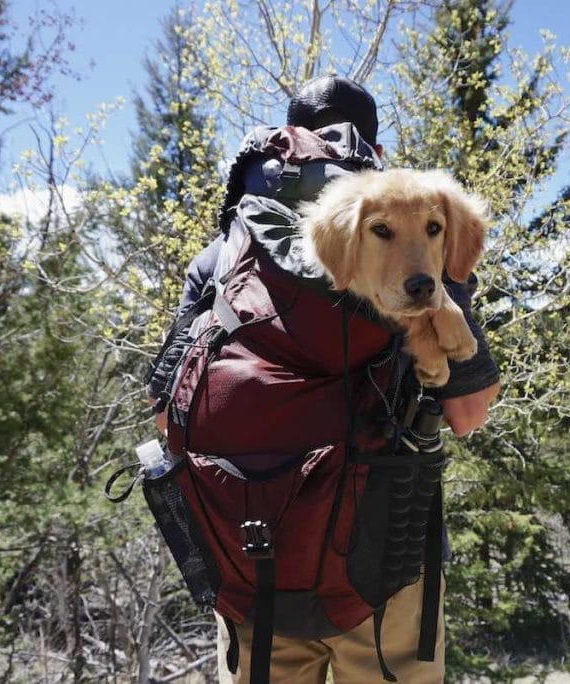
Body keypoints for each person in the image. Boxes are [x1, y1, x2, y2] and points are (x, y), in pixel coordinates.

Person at [151, 75, 500, 683]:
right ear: (376, 154)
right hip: (386, 560)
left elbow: (166, 411)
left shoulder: (224, 255)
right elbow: (469, 415)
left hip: (253, 557)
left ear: (290, 141)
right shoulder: (418, 234)